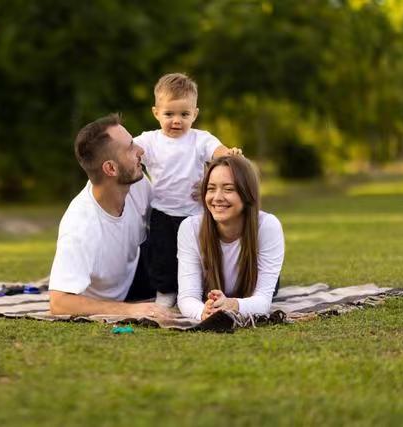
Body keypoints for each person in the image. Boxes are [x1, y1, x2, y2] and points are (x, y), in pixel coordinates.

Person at [48, 113, 172, 318]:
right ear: (111, 168)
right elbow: (59, 303)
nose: (141, 151)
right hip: (111, 296)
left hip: (137, 269)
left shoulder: (137, 185)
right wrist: (130, 310)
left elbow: (168, 220)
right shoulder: (81, 225)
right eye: (131, 147)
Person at [134, 72, 241, 307]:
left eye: (184, 114)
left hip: (196, 213)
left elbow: (217, 151)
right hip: (162, 211)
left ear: (195, 114)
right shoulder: (150, 141)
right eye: (169, 114)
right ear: (156, 113)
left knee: (200, 255)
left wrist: (229, 154)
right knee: (163, 255)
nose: (176, 120)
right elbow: (128, 150)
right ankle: (166, 292)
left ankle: (201, 290)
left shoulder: (199, 139)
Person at [177, 156, 284, 321]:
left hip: (251, 283)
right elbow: (187, 297)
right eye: (211, 188)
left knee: (272, 287)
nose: (217, 197)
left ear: (247, 192)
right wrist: (203, 312)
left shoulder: (267, 226)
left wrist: (231, 304)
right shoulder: (190, 228)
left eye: (228, 189)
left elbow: (263, 301)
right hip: (213, 293)